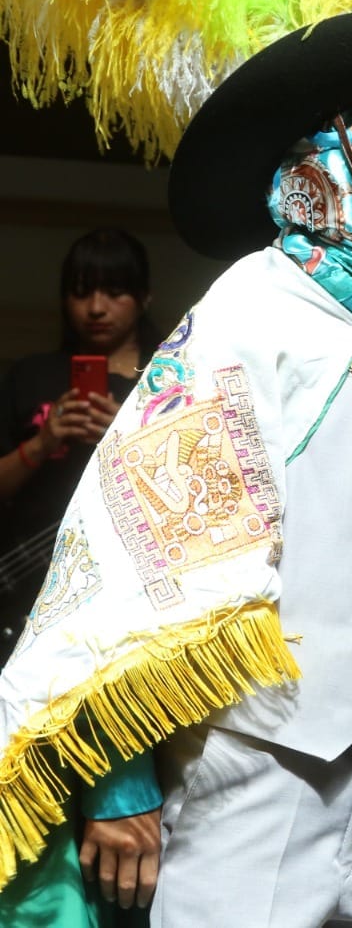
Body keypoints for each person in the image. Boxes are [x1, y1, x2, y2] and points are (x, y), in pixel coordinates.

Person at [0, 9, 352, 928]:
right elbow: (139, 562)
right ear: (340, 172)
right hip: (252, 772)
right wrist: (118, 784)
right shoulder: (244, 325)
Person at [0, 229, 161, 662]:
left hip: (125, 598)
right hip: (20, 591)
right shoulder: (28, 376)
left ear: (144, 297)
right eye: (81, 292)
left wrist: (125, 439)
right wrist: (43, 442)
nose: (95, 308)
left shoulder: (165, 385)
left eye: (114, 292)